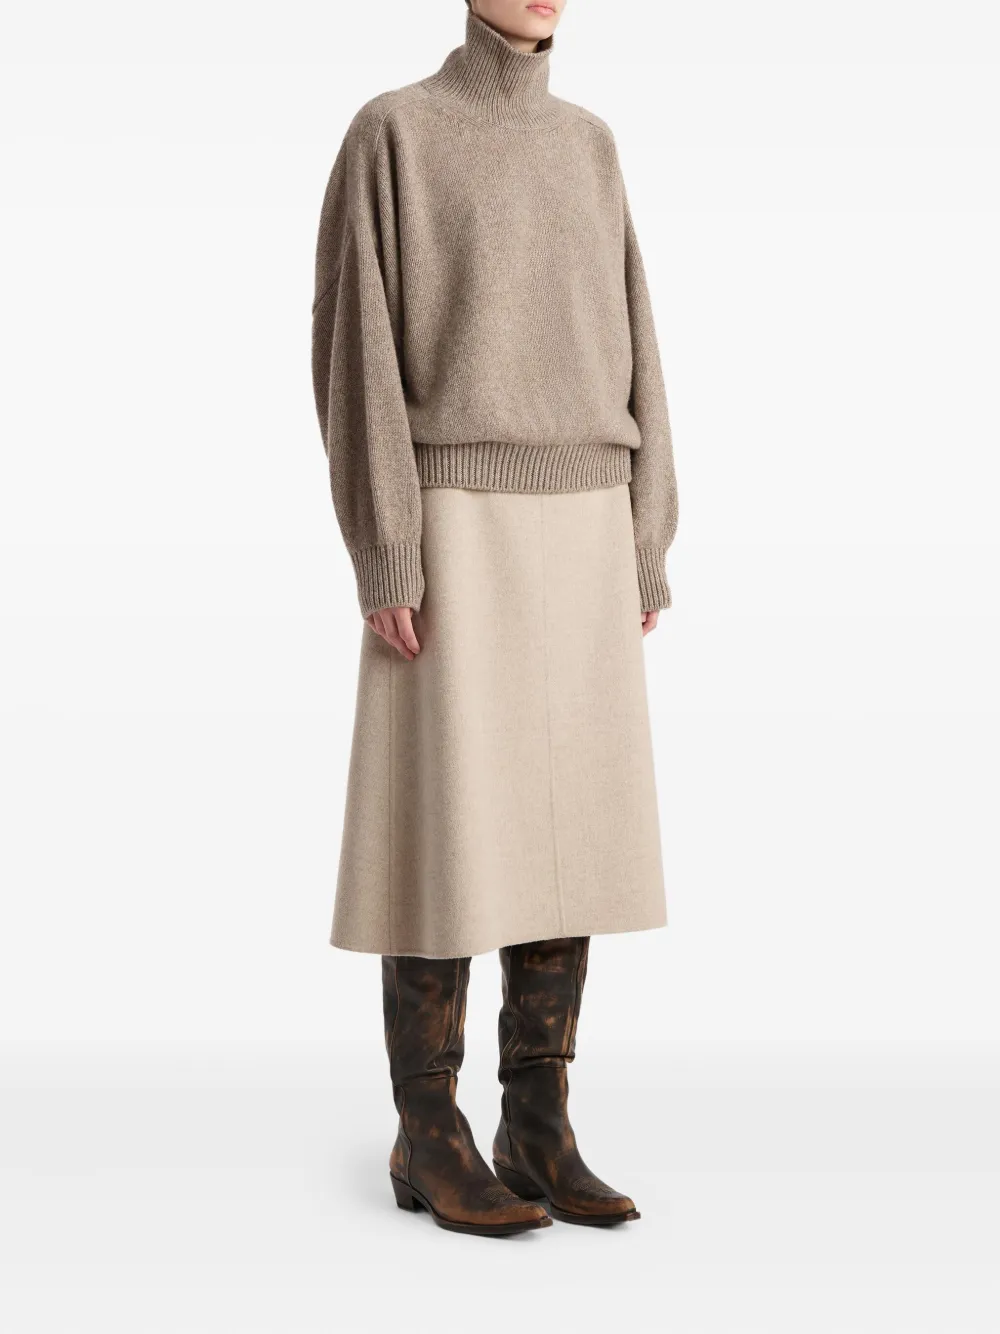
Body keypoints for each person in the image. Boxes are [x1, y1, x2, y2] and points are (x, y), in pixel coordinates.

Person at [311, 0, 678, 1237]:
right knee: (446, 817)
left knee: (566, 826)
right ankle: (428, 1127)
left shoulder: (589, 144)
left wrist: (644, 534)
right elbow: (354, 347)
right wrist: (387, 542)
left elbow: (638, 343)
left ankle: (538, 1118)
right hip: (455, 516)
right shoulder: (395, 134)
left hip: (585, 514)